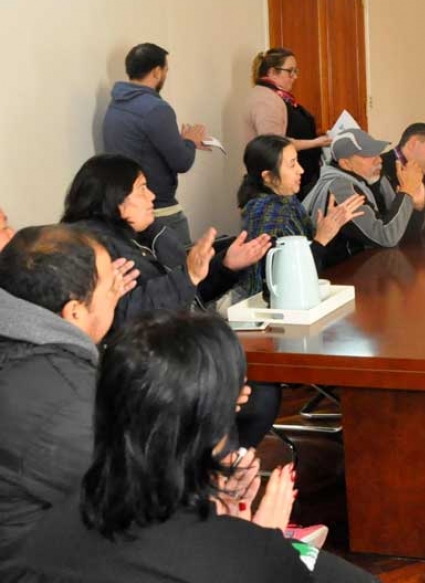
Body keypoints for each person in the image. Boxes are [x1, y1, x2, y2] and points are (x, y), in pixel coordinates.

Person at [0, 312, 377, 583]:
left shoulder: (61, 519)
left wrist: (214, 505)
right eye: (233, 396)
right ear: (208, 420)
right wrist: (265, 538)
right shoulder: (246, 555)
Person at [60, 154, 276, 447]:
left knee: (260, 391)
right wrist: (187, 277)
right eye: (142, 188)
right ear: (114, 198)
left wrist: (226, 267)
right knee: (260, 397)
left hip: (175, 353)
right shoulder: (93, 248)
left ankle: (209, 469)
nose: (152, 196)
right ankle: (203, 471)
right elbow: (129, 315)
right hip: (142, 373)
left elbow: (187, 292)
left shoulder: (146, 235)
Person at [0, 226, 134, 560]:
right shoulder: (68, 400)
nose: (117, 291)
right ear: (74, 311)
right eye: (109, 287)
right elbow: (134, 500)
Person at [103, 42, 210, 246]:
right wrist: (189, 141)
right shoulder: (156, 109)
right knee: (181, 271)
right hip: (158, 209)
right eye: (166, 70)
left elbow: (141, 145)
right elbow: (182, 162)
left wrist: (182, 141)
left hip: (124, 209)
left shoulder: (116, 104)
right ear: (157, 71)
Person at [237, 134, 365, 298]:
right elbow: (287, 282)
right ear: (268, 177)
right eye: (292, 165)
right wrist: (321, 239)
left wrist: (328, 231)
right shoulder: (267, 213)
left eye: (297, 161)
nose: (301, 170)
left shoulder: (286, 201)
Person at [303, 128, 425, 264]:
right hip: (340, 276)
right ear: (346, 164)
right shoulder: (341, 188)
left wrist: (418, 205)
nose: (379, 160)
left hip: (368, 266)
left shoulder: (375, 178)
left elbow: (402, 229)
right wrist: (406, 191)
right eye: (369, 155)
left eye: (377, 153)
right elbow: (386, 237)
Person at [242, 48, 330, 198]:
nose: (294, 76)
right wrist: (315, 143)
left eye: (296, 71)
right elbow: (274, 145)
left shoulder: (275, 96)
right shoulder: (266, 100)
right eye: (290, 71)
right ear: (272, 72)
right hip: (275, 185)